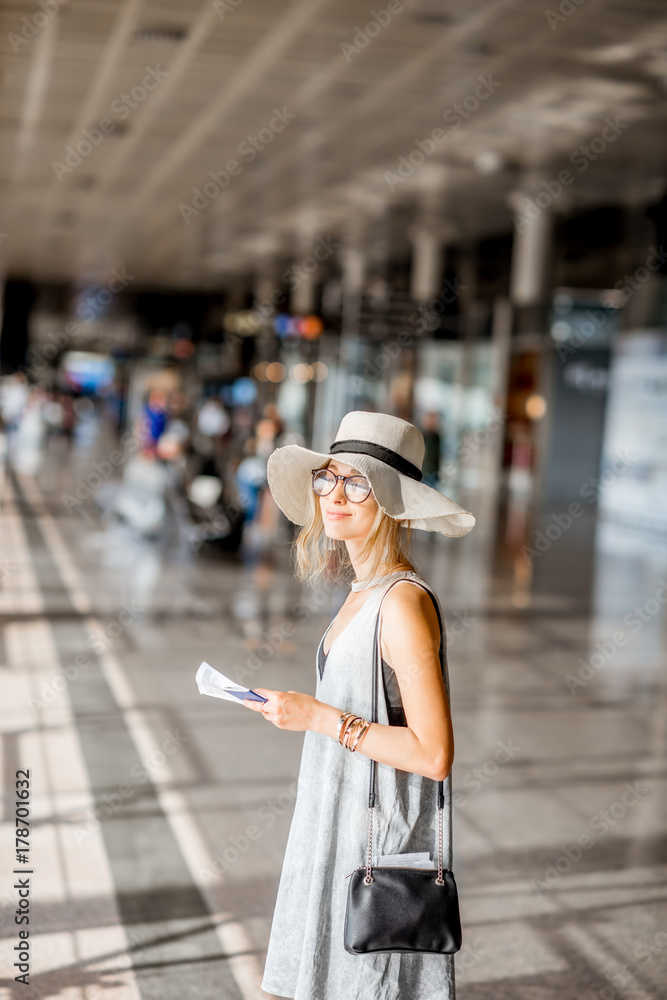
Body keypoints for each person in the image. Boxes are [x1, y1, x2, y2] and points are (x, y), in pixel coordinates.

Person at [241, 409, 476, 1000]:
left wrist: (319, 717)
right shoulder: (361, 593)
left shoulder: (401, 601)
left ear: (392, 501)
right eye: (328, 478)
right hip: (331, 830)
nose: (334, 495)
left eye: (357, 482)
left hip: (373, 845)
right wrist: (296, 710)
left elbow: (433, 752)